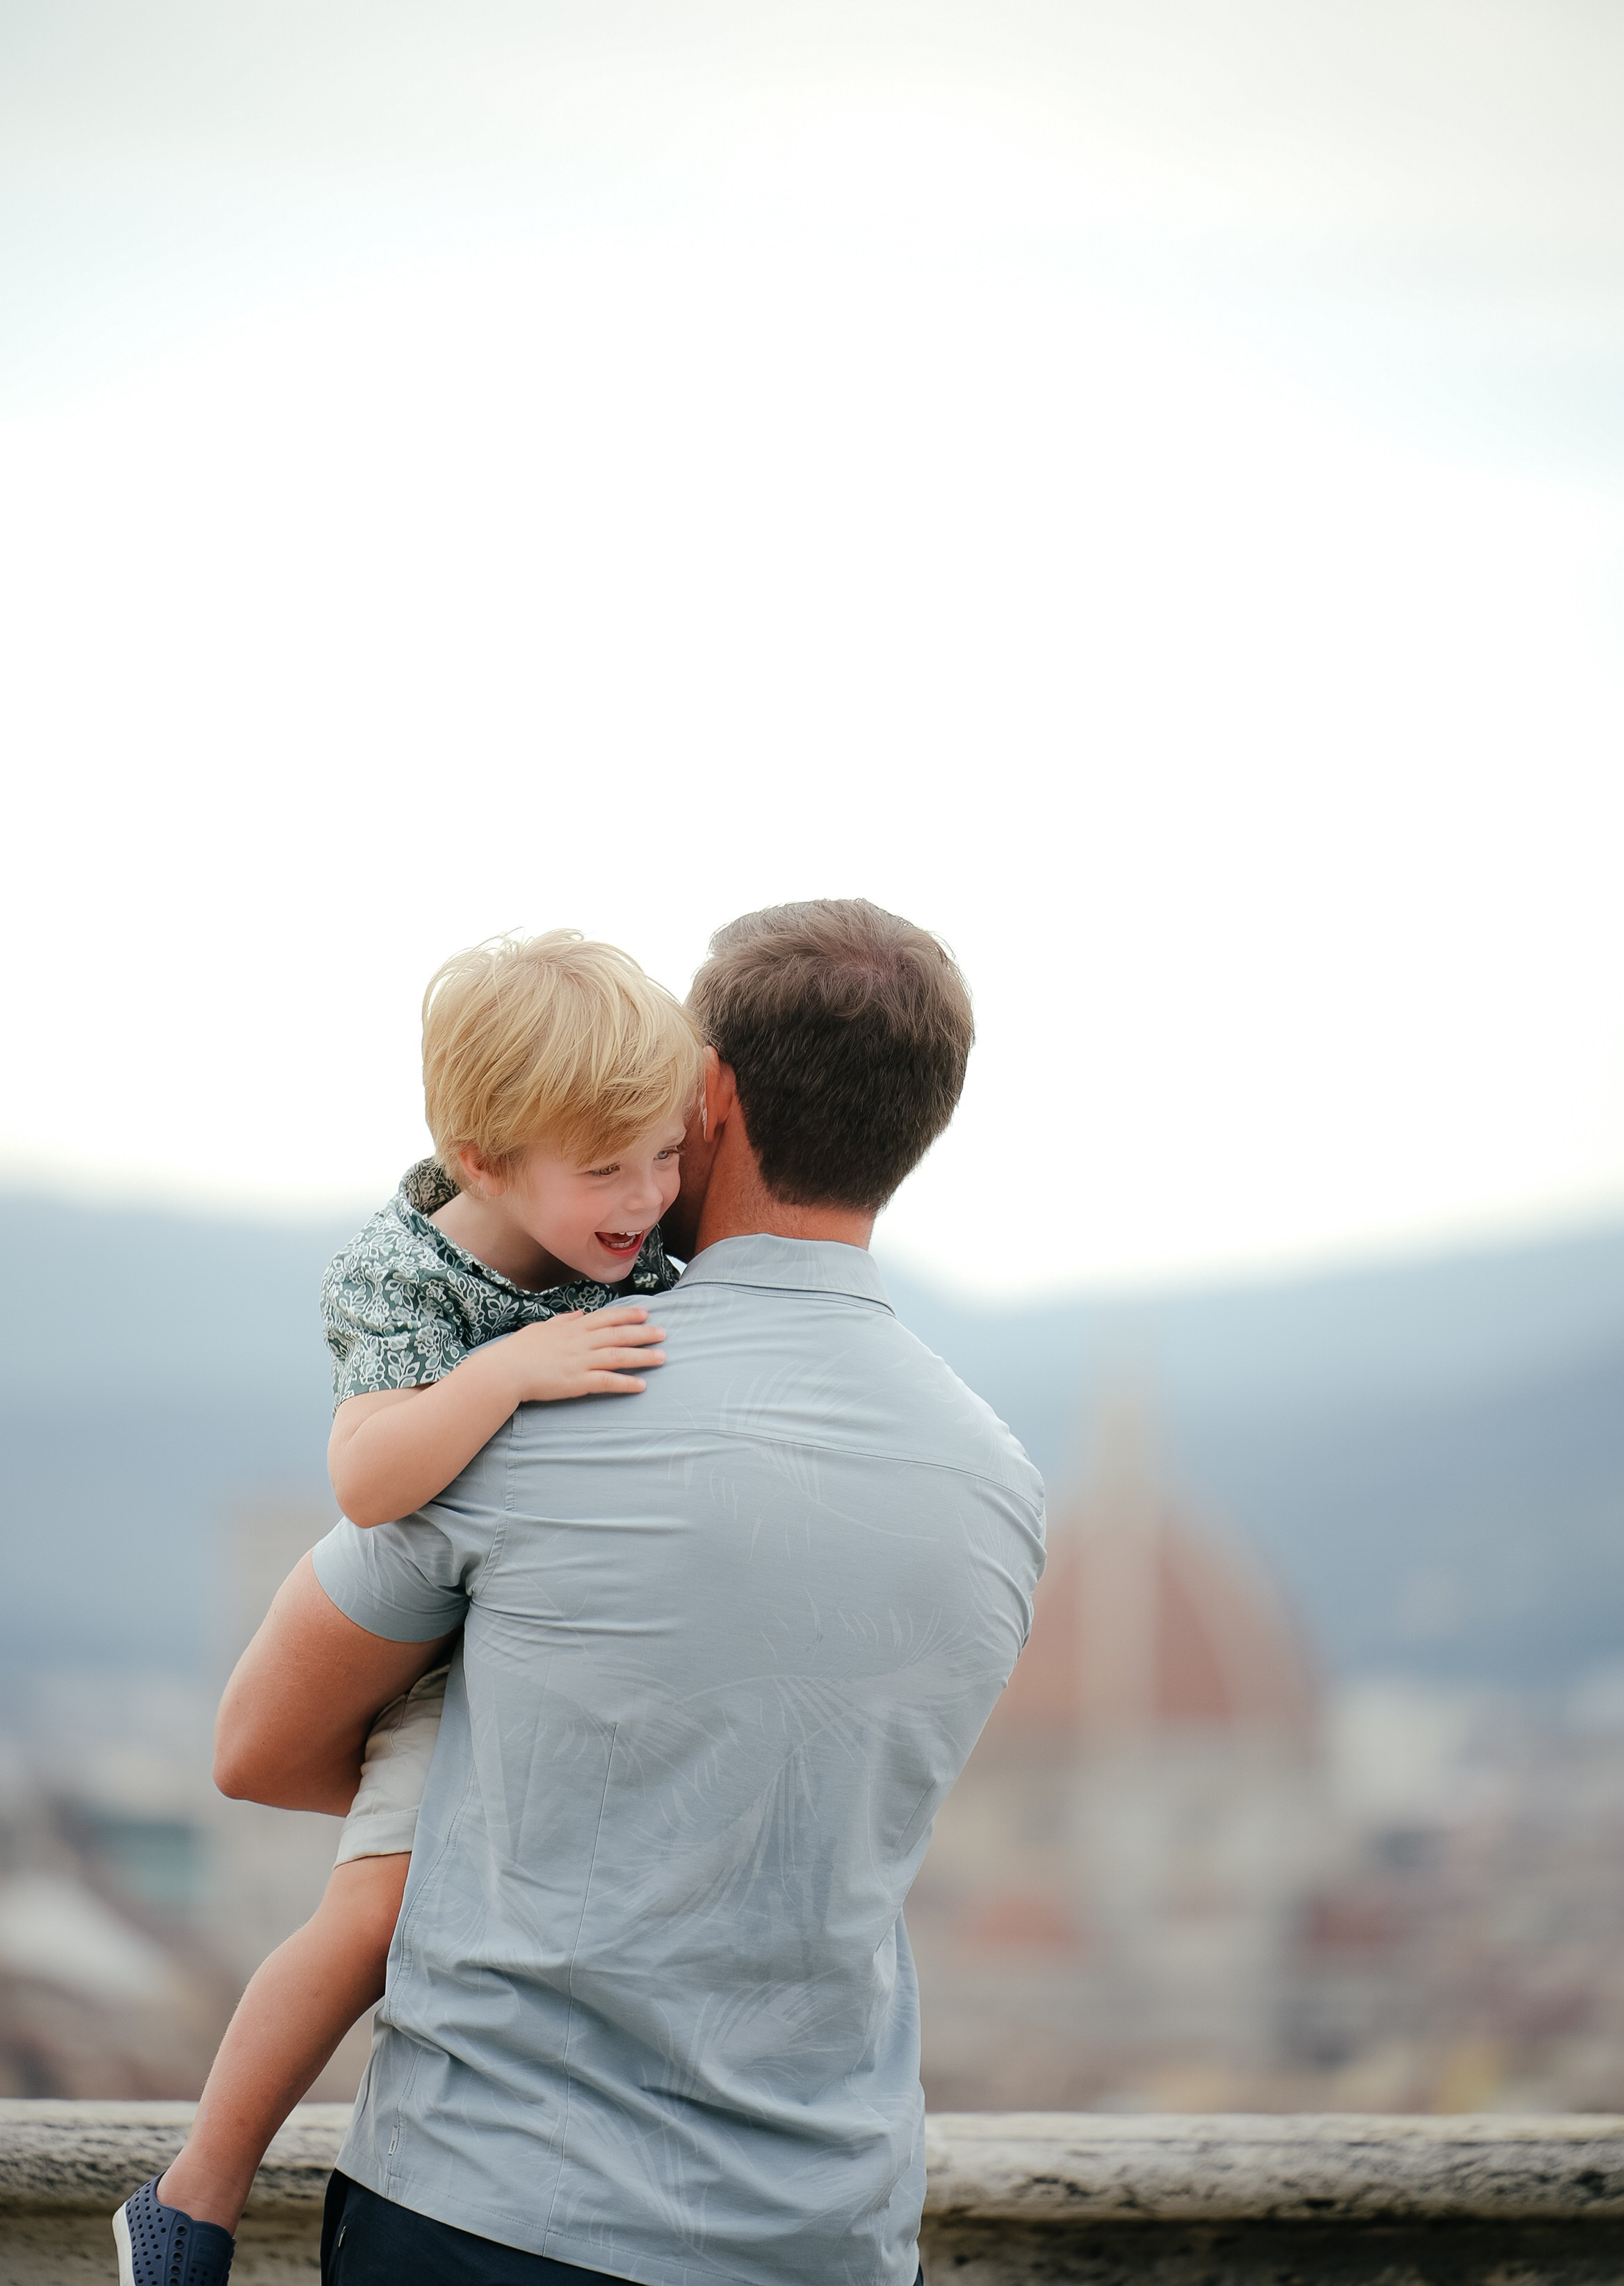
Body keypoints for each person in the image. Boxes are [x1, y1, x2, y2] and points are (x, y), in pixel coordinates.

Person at [210, 900, 1044, 2286]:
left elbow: (258, 1745)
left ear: (706, 1091)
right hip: (820, 2232)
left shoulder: (542, 1404)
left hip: (490, 2206)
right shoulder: (1000, 1486)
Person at [115, 930, 702, 2286]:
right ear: (488, 1162)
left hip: (583, 1638)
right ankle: (193, 2195)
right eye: (607, 1168)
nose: (648, 1196)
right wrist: (513, 1374)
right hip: (443, 1665)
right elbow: (370, 1477)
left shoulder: (635, 1234)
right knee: (371, 1923)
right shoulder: (404, 1274)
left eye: (664, 1156)